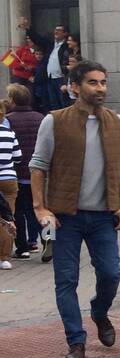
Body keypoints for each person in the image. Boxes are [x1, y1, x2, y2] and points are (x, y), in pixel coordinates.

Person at [28, 61, 120, 358]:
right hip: (64, 217)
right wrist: (40, 207)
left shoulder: (118, 123)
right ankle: (76, 341)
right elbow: (38, 166)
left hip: (103, 216)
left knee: (111, 274)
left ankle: (99, 312)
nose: (100, 88)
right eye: (92, 82)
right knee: (65, 280)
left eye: (103, 82)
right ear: (74, 87)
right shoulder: (55, 121)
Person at [5, 85, 44, 257]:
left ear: (12, 100)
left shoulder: (8, 120)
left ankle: (22, 248)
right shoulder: (41, 118)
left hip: (18, 174)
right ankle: (46, 240)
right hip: (40, 173)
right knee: (41, 209)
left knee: (18, 211)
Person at [0, 103, 19, 268]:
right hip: (8, 178)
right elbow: (18, 156)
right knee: (7, 217)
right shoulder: (9, 133)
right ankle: (4, 257)